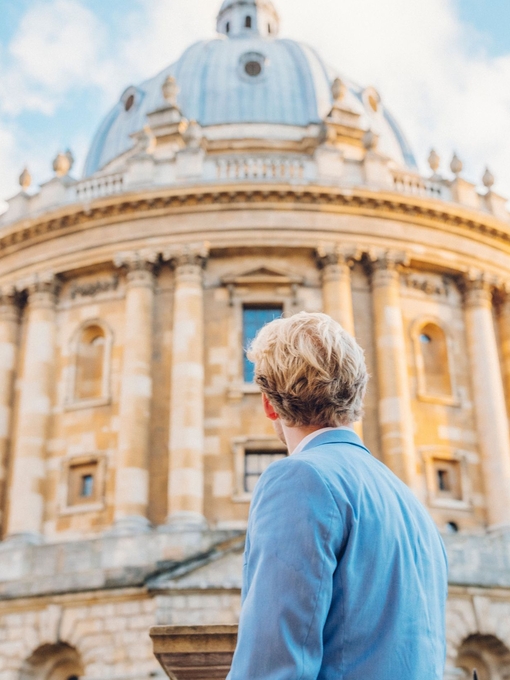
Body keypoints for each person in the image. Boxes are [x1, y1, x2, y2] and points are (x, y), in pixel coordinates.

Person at [227, 312, 448, 680]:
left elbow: (273, 664)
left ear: (269, 403)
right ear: (356, 393)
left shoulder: (300, 478)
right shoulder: (411, 504)